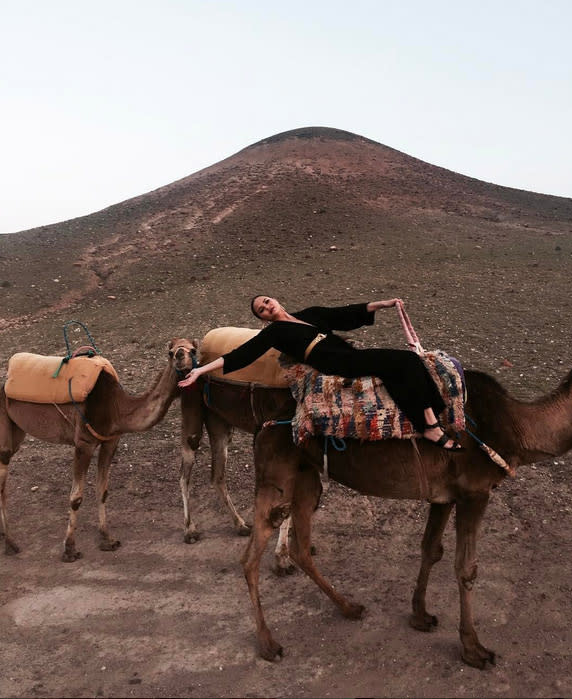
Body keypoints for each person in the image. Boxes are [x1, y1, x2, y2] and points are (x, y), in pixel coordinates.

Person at [178, 295, 463, 451]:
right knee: (401, 361)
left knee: (403, 364)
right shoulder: (275, 332)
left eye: (266, 301)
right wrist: (200, 370)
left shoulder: (309, 314)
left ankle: (427, 420)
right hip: (329, 359)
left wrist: (383, 304)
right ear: (263, 318)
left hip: (344, 351)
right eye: (261, 310)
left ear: (275, 299)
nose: (266, 307)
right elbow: (241, 355)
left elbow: (342, 314)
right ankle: (430, 426)